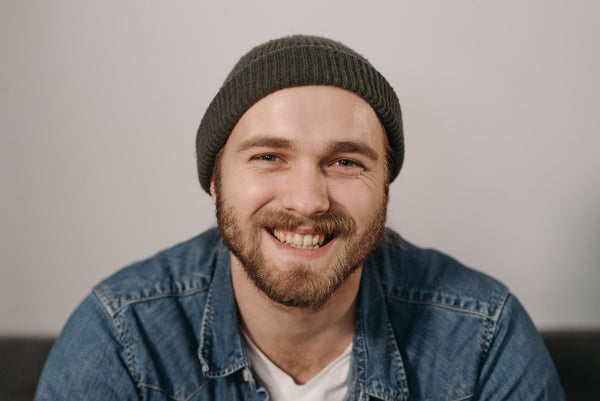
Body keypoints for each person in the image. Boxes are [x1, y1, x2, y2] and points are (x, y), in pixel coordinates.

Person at [35, 35, 564, 400]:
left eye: (345, 162)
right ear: (216, 180)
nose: (308, 201)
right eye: (269, 157)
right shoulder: (124, 336)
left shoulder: (482, 335)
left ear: (384, 187)